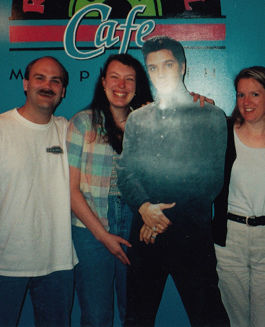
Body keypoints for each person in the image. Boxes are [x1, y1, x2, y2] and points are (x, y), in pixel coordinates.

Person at [0, 56, 77, 327]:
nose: (47, 85)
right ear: (25, 84)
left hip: (57, 263)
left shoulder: (69, 132)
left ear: (63, 91)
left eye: (55, 81)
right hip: (0, 263)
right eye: (39, 78)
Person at [117, 35, 230, 327]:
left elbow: (210, 183)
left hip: (190, 234)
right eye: (153, 67)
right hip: (144, 232)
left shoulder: (212, 117)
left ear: (181, 66)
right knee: (137, 320)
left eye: (167, 64)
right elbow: (127, 172)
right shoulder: (139, 119)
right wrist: (144, 208)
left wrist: (156, 218)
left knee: (209, 319)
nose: (161, 72)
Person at [66, 54, 154, 326]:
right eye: (115, 77)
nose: (122, 85)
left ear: (137, 86)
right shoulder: (82, 122)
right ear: (103, 82)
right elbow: (70, 190)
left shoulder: (147, 124)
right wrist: (102, 235)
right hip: (90, 228)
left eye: (130, 79)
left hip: (135, 223)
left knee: (134, 312)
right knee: (96, 316)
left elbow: (157, 179)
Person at [211, 67, 265, 327]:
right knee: (236, 320)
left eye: (254, 94)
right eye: (241, 95)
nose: (246, 102)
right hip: (230, 237)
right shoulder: (223, 131)